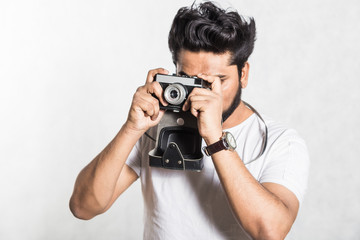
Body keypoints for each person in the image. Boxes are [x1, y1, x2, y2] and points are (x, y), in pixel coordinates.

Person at [69, 2, 309, 239]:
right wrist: (131, 128)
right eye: (188, 79)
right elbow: (83, 206)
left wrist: (215, 138)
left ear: (243, 74)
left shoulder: (280, 142)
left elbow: (270, 231)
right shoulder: (155, 128)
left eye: (216, 80)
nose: (202, 94)